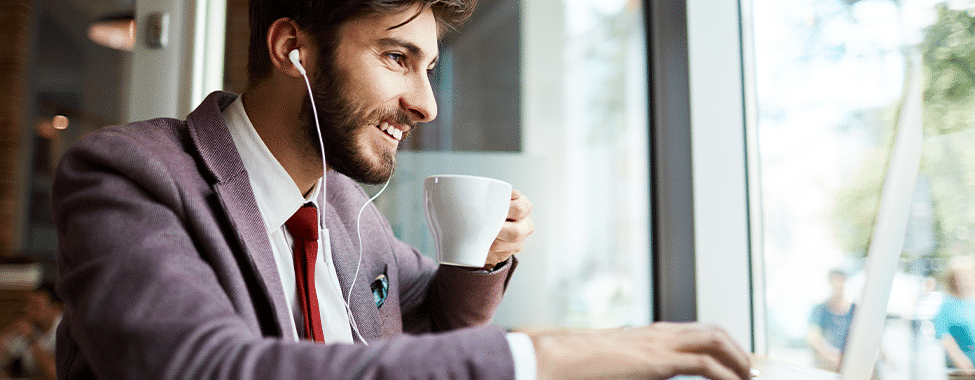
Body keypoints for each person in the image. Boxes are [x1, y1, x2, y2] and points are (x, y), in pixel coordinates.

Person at [51, 0, 751, 379]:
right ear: (292, 47)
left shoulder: (344, 210)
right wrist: (544, 359)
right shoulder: (128, 174)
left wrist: (479, 256)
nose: (426, 105)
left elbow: (432, 319)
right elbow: (205, 368)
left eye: (429, 69)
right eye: (396, 58)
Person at [0, 282, 61, 380]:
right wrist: (11, 329)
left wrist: (31, 339)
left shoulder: (67, 332)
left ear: (55, 309)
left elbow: (55, 374)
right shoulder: (31, 325)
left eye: (35, 307)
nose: (27, 310)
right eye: (27, 305)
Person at [807, 269, 855, 372]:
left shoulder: (855, 310)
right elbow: (813, 337)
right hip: (827, 365)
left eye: (842, 280)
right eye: (836, 281)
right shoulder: (819, 309)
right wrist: (835, 357)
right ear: (830, 283)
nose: (839, 284)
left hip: (850, 363)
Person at [933, 257, 975, 373]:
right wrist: (965, 366)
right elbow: (945, 338)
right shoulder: (946, 306)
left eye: (967, 276)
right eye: (959, 278)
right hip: (961, 370)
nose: (964, 281)